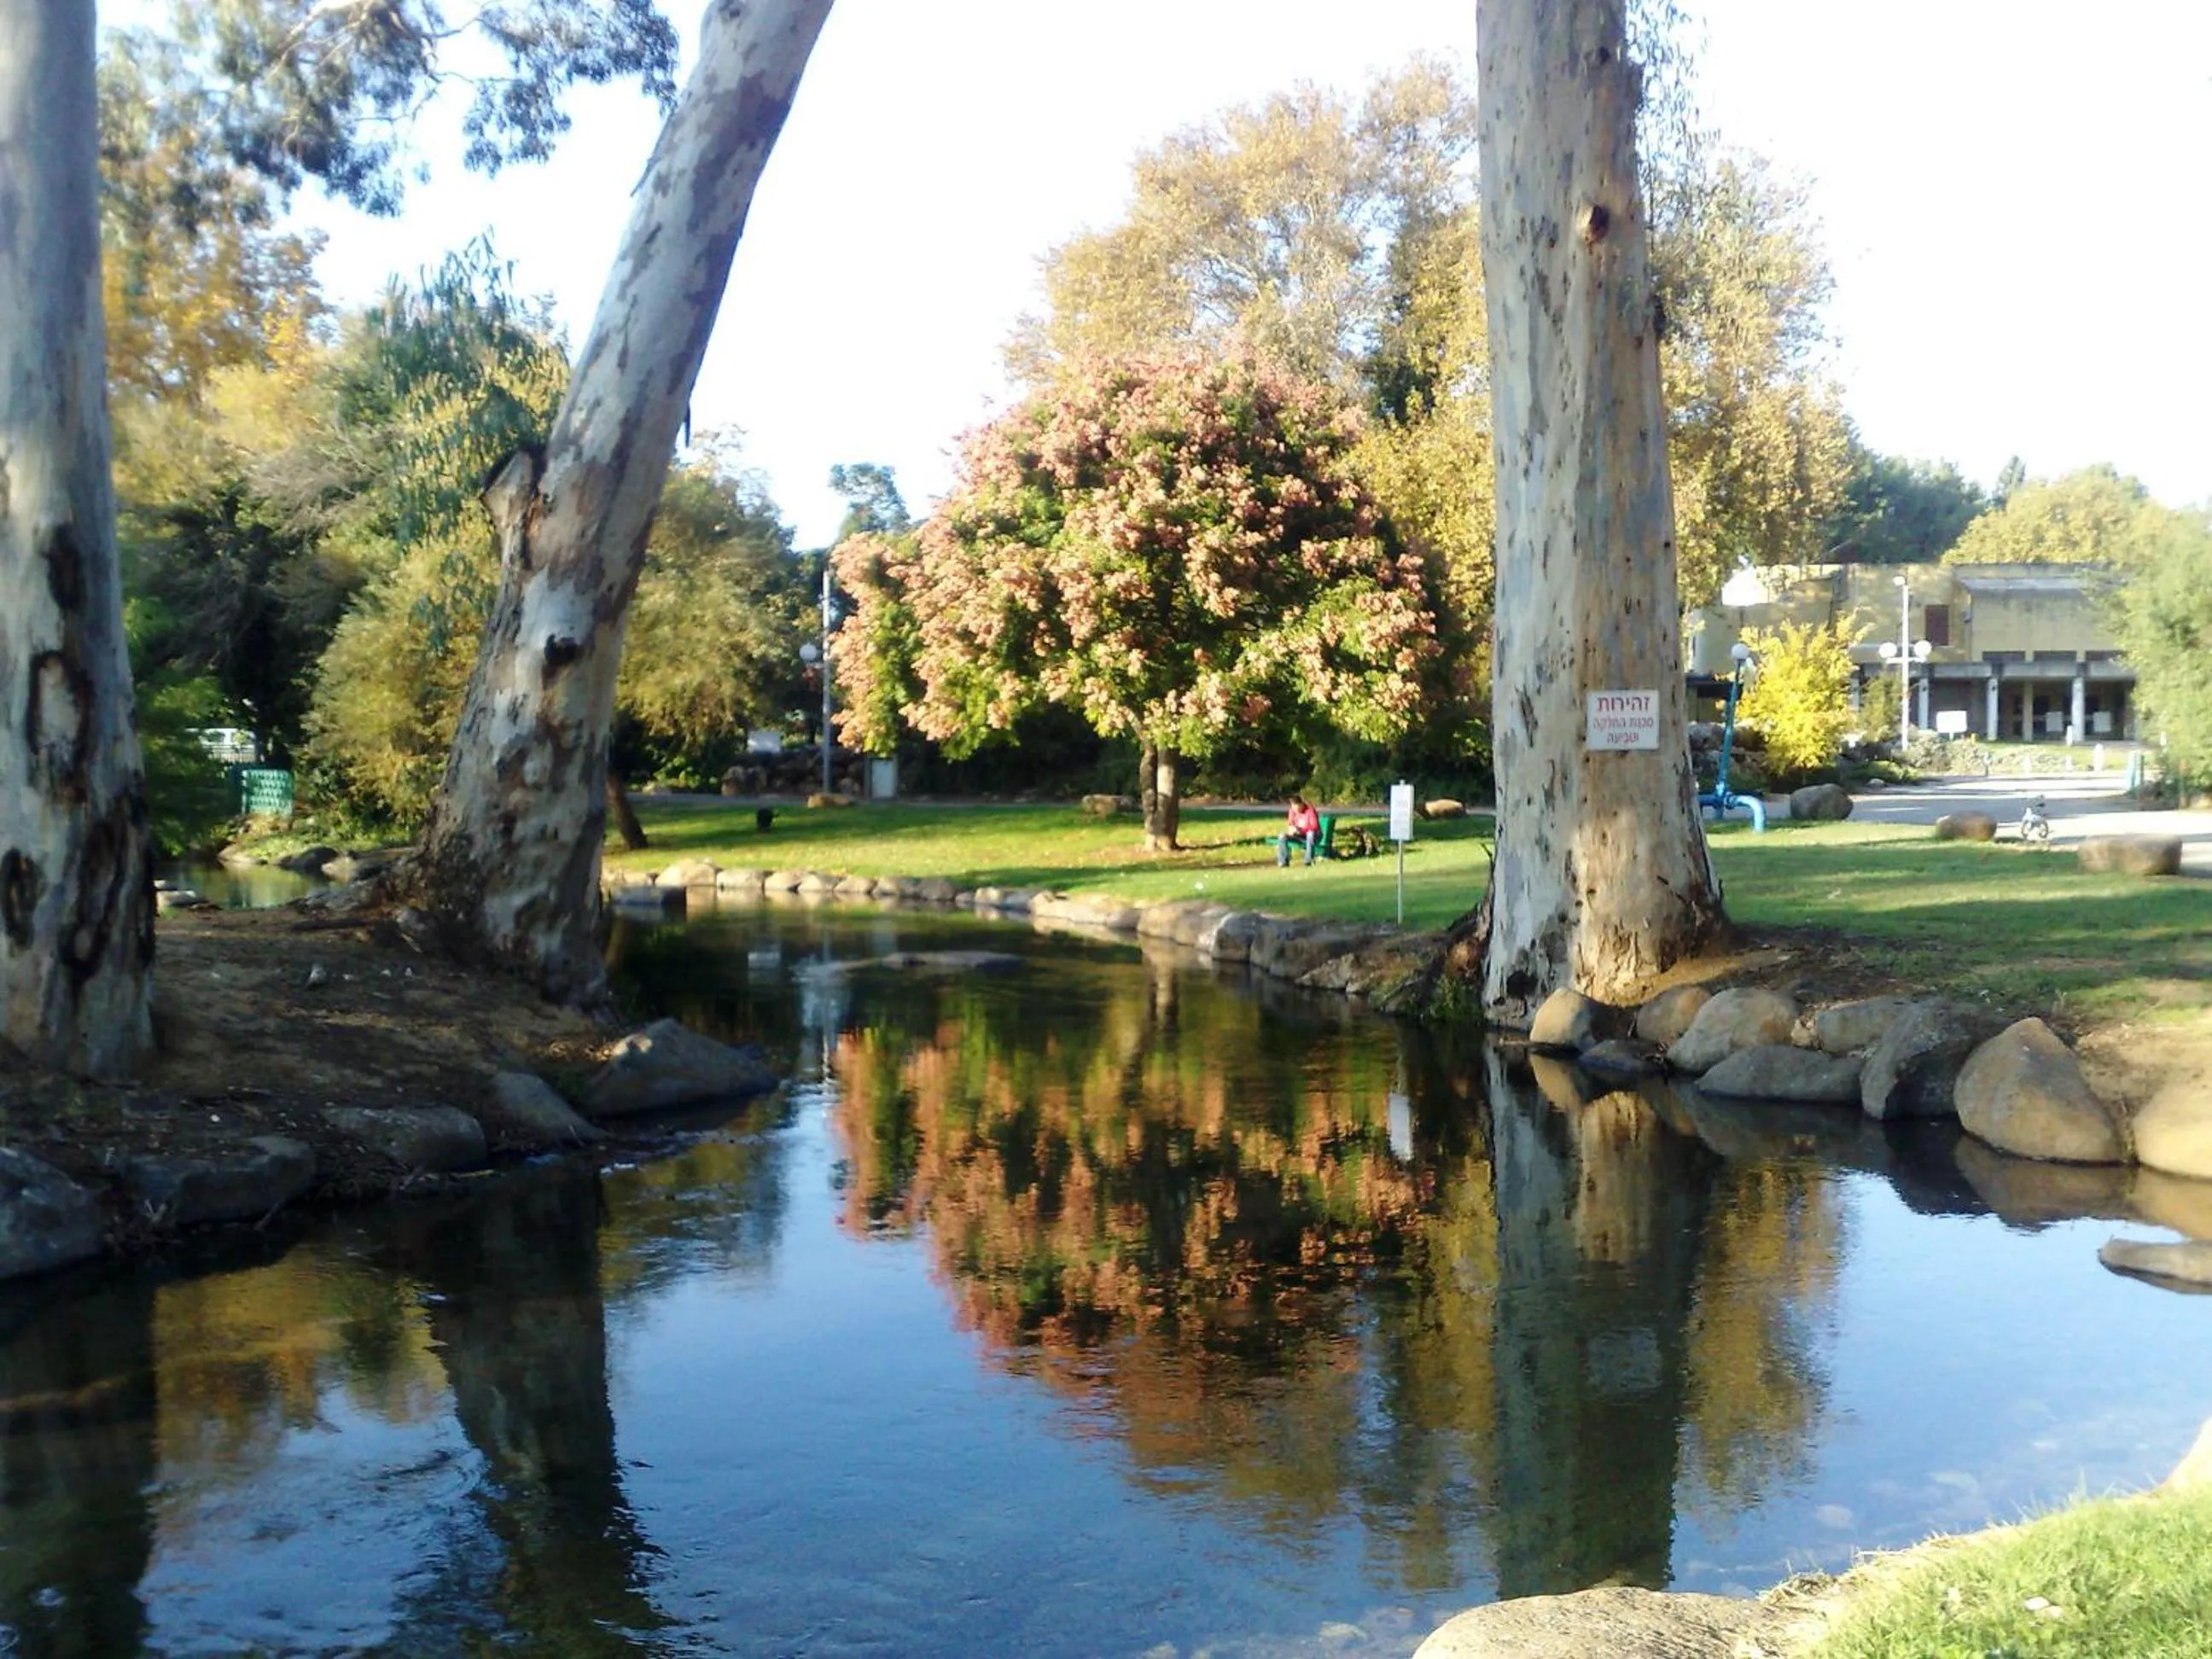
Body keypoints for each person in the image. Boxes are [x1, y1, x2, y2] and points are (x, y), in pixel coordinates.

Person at [1277, 796, 1322, 867]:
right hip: (1299, 835)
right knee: (1282, 836)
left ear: (1301, 804)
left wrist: (1301, 830)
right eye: (1293, 808)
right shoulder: (1292, 811)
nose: (1296, 810)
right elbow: (1291, 822)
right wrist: (1292, 828)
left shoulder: (1310, 811)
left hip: (1314, 835)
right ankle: (1283, 862)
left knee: (1310, 834)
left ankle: (1308, 860)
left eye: (1297, 808)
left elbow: (1315, 826)